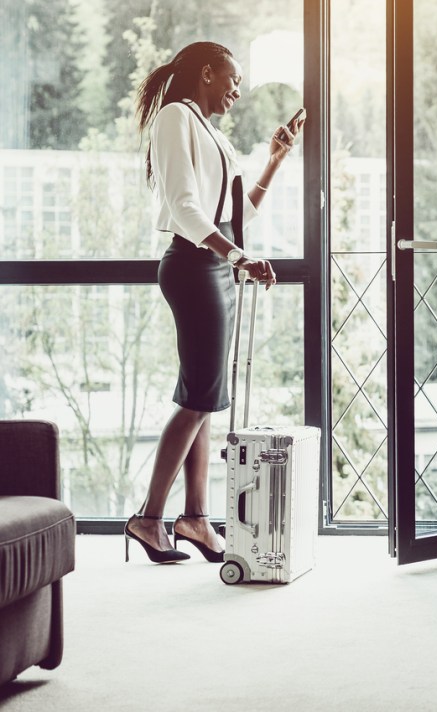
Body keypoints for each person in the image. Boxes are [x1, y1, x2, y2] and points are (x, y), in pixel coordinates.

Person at [124, 41, 304, 563]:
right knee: (199, 396)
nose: (238, 91)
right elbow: (184, 209)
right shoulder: (175, 119)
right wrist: (240, 258)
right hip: (192, 267)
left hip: (212, 266)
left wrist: (273, 161)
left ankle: (196, 519)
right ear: (207, 72)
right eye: (233, 80)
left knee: (205, 395)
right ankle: (149, 518)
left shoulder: (209, 132)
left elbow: (233, 213)